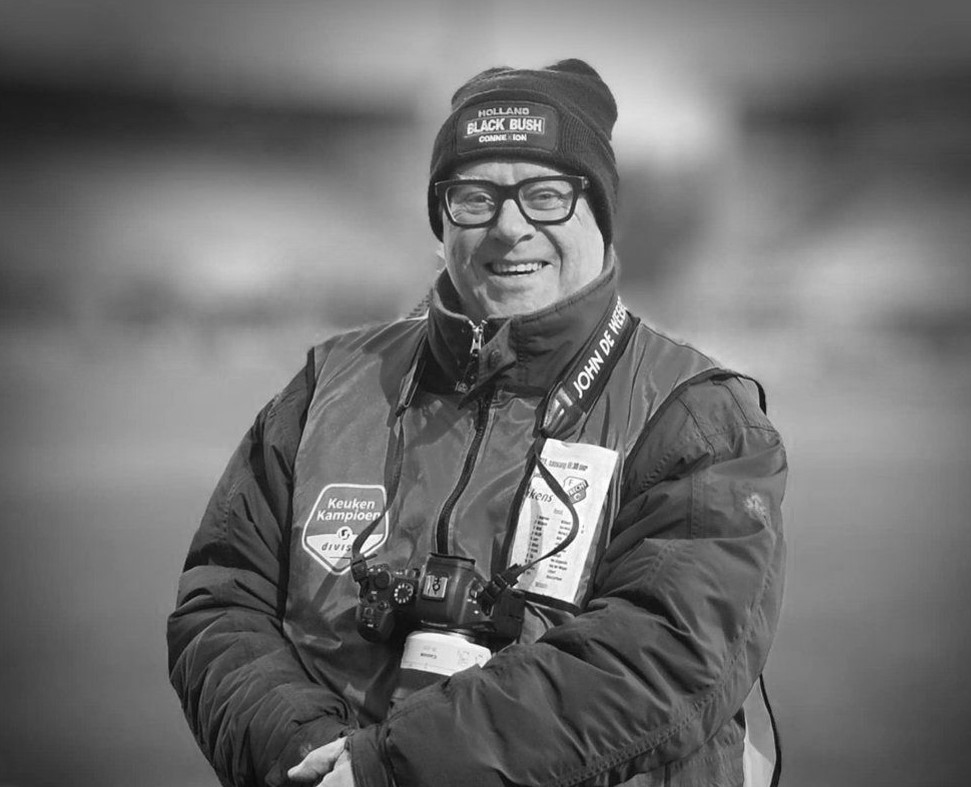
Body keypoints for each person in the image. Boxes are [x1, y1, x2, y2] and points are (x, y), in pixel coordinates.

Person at [167, 58, 787, 787]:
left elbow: (662, 658)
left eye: (547, 195)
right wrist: (307, 756)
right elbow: (222, 602)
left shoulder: (696, 414)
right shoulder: (327, 384)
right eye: (474, 196)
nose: (509, 227)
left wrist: (389, 770)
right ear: (441, 218)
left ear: (600, 213)